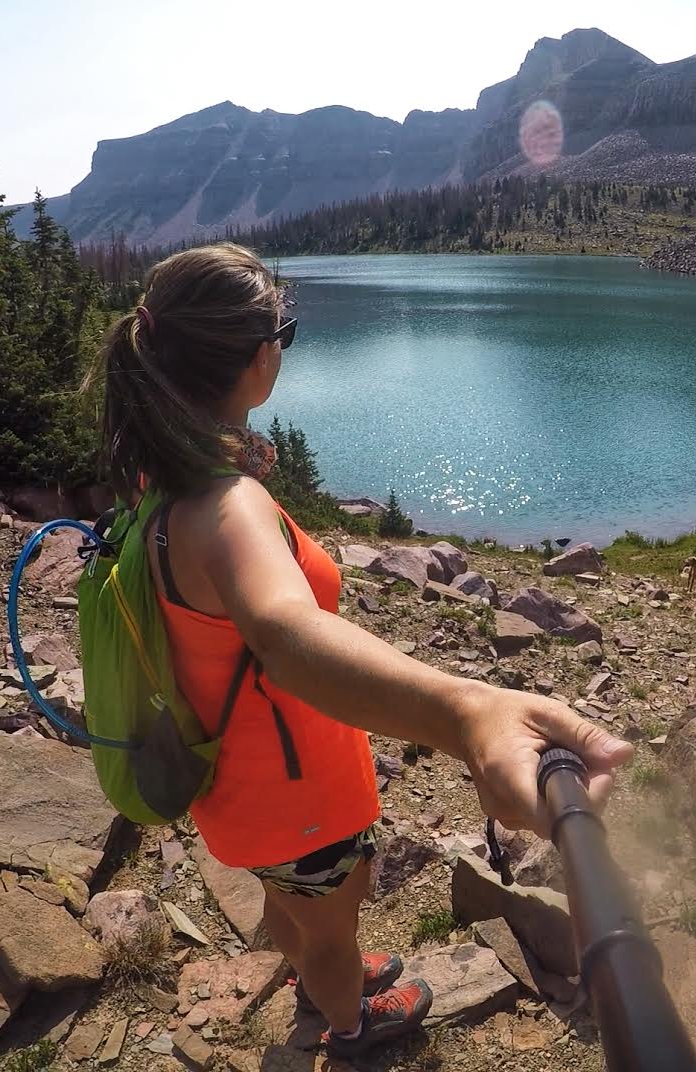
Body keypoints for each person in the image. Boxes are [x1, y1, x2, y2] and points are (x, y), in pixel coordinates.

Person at [89, 243, 633, 1057]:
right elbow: (283, 632)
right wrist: (469, 709)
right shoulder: (228, 507)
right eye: (286, 334)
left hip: (235, 793)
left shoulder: (158, 482)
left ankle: (318, 962)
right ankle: (346, 1019)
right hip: (300, 800)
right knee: (335, 925)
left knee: (297, 905)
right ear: (259, 358)